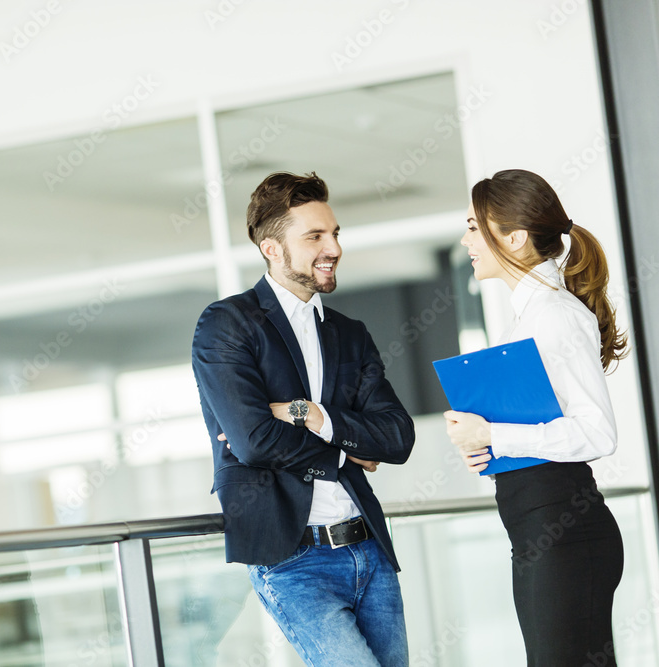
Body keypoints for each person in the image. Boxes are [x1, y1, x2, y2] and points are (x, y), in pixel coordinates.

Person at [191, 171, 415, 666]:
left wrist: (311, 415)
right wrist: (347, 450)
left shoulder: (349, 334)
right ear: (272, 249)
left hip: (369, 549)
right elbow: (253, 440)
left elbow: (397, 437)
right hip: (293, 559)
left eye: (334, 233)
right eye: (315, 236)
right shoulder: (227, 324)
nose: (333, 248)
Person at [445, 168, 627, 666]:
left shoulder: (555, 313)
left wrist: (494, 433)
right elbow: (537, 428)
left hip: (565, 534)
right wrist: (486, 445)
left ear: (515, 238)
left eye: (473, 227)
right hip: (538, 531)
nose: (465, 241)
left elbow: (598, 433)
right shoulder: (528, 316)